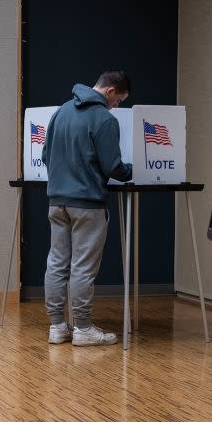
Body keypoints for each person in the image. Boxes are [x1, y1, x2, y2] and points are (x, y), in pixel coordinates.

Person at [41, 71, 133, 346]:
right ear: (110, 91)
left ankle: (57, 327)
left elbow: (46, 154)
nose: (117, 106)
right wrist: (131, 171)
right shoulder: (104, 118)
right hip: (88, 204)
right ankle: (82, 328)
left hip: (57, 201)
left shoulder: (61, 112)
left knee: (56, 264)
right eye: (119, 100)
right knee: (82, 267)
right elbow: (112, 166)